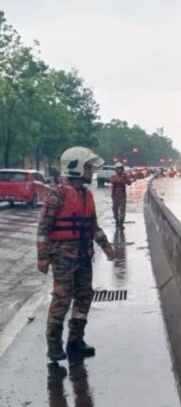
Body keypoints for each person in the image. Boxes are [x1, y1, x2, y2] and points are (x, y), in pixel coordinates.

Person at [37, 147, 114, 362]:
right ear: (76, 167)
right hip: (63, 257)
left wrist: (106, 246)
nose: (92, 172)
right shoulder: (56, 194)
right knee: (62, 298)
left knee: (84, 296)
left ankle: (75, 340)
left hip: (83, 255)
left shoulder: (86, 195)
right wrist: (42, 257)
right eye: (89, 167)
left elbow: (93, 226)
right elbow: (44, 229)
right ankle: (54, 345)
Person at [109, 162, 129, 227]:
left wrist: (125, 178)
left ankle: (121, 222)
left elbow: (129, 183)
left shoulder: (125, 176)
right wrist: (118, 179)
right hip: (115, 196)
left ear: (122, 169)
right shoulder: (113, 176)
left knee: (122, 210)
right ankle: (117, 221)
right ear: (116, 170)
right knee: (115, 210)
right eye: (118, 169)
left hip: (123, 196)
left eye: (120, 169)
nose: (119, 170)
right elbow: (112, 183)